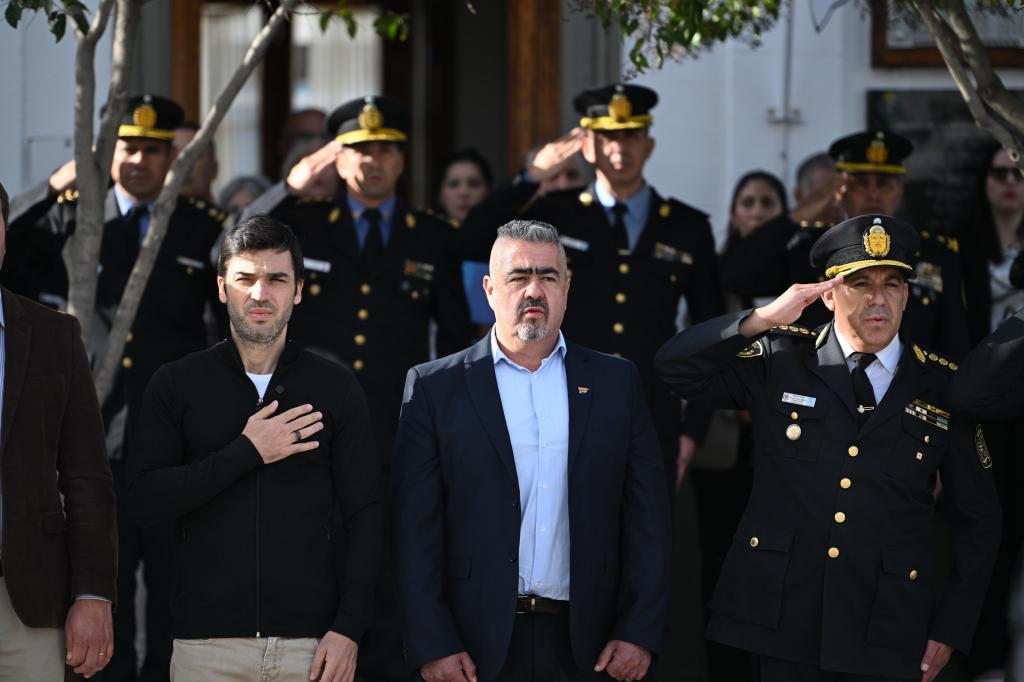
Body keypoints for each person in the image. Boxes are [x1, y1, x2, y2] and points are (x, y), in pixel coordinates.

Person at [655, 214, 1001, 682]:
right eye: (860, 283)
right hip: (782, 619)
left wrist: (952, 629)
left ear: (906, 294)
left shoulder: (942, 387)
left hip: (887, 626)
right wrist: (762, 319)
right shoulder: (781, 358)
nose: (878, 298)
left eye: (893, 283)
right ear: (829, 292)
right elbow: (675, 368)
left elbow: (979, 522)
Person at [242, 94, 471, 682]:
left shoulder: (432, 234)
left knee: (395, 568)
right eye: (360, 150)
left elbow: (454, 338)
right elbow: (238, 250)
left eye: (386, 149)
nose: (374, 161)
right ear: (337, 159)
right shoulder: (305, 226)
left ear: (403, 159)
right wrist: (289, 188)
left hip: (400, 430)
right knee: (318, 568)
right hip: (312, 431)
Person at [4, 94, 228, 682]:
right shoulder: (75, 215)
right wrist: (56, 183)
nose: (140, 161)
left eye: (155, 150)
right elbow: (9, 245)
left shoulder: (199, 224)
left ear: (172, 157)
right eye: (129, 147)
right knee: (102, 594)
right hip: (94, 435)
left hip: (172, 443)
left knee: (172, 593)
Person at [393, 220, 671, 681]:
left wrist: (639, 630)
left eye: (548, 277)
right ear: (489, 288)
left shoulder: (615, 382)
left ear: (567, 286)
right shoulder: (434, 387)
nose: (534, 291)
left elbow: (648, 517)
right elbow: (413, 528)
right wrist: (432, 642)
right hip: (472, 645)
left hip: (591, 643)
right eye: (518, 277)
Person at [127, 215, 383, 682]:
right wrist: (247, 451)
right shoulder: (176, 384)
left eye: (276, 279)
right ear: (222, 288)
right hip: (206, 649)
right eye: (245, 279)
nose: (260, 294)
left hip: (313, 649)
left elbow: (366, 515)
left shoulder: (335, 387)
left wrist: (349, 629)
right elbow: (144, 499)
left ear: (299, 290)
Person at [457, 83, 725, 489]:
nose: (620, 148)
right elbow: (472, 237)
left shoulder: (687, 227)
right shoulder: (555, 214)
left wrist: (694, 428)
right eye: (607, 137)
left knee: (647, 543)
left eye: (630, 135)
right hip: (563, 406)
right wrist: (530, 178)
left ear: (649, 145)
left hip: (652, 415)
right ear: (587, 146)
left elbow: (712, 328)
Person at [0, 180, 118, 680]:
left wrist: (92, 594)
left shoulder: (54, 335)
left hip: (27, 600)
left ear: (4, 236)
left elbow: (87, 477)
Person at [720, 131, 970, 358]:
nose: (873, 194)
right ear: (841, 191)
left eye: (883, 184)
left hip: (912, 395)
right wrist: (797, 215)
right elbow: (736, 275)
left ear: (899, 191)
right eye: (860, 184)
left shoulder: (935, 254)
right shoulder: (813, 249)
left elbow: (955, 339)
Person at [692, 169, 790, 682]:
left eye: (767, 203)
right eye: (747, 202)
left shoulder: (800, 273)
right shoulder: (719, 269)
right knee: (721, 564)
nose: (756, 211)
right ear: (733, 212)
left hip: (784, 447)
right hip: (726, 444)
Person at [436, 148, 495, 334]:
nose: (464, 192)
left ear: (488, 190)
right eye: (453, 184)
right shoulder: (424, 241)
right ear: (440, 193)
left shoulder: (504, 242)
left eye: (473, 184)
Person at [173, 121, 219, 204]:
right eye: (174, 156)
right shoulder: (146, 215)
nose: (184, 165)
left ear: (214, 169)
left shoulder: (238, 216)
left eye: (193, 155)